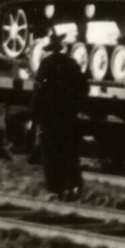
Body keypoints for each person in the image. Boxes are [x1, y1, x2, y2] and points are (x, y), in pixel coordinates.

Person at [31, 30, 88, 199]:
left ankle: (56, 189)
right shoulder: (72, 64)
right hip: (68, 117)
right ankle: (74, 186)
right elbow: (84, 88)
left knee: (51, 155)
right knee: (70, 153)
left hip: (50, 118)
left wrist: (35, 114)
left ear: (49, 49)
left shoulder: (46, 65)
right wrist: (75, 105)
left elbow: (38, 91)